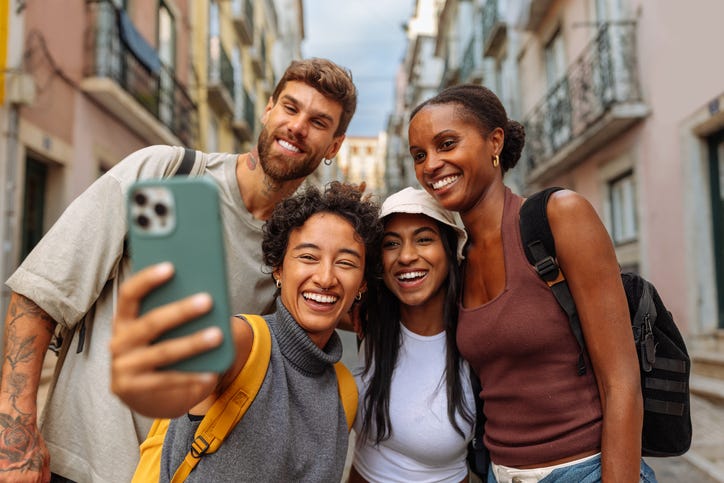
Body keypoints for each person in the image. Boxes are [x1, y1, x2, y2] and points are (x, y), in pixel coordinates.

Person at [0, 58, 357, 482]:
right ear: (268, 109)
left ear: (334, 145)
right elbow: (44, 292)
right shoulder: (169, 176)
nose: (298, 127)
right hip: (80, 465)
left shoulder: (297, 249)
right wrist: (15, 428)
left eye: (319, 122)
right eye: (290, 108)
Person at [407, 84, 657, 483]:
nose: (431, 165)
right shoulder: (458, 260)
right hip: (500, 473)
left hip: (585, 470)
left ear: (495, 141)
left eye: (447, 144)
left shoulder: (560, 216)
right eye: (419, 155)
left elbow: (621, 381)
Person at [110, 182, 382, 481]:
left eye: (345, 263)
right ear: (278, 269)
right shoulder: (246, 340)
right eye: (308, 257)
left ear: (363, 284)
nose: (326, 277)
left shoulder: (344, 391)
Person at [349, 187, 475, 483]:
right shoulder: (369, 318)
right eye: (391, 244)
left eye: (424, 239)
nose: (406, 256)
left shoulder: (476, 335)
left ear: (448, 248)